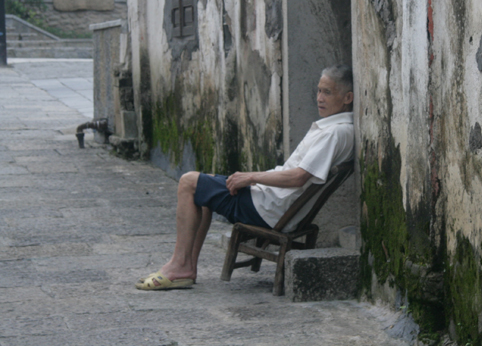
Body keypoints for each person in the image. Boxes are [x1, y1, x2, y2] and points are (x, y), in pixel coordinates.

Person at [135, 65, 355, 290]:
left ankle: (180, 265)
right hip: (271, 202)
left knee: (188, 182)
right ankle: (185, 266)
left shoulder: (335, 133)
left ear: (348, 97)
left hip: (267, 209)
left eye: (327, 92)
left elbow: (298, 178)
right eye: (318, 91)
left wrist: (251, 177)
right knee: (202, 185)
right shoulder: (337, 129)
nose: (319, 98)